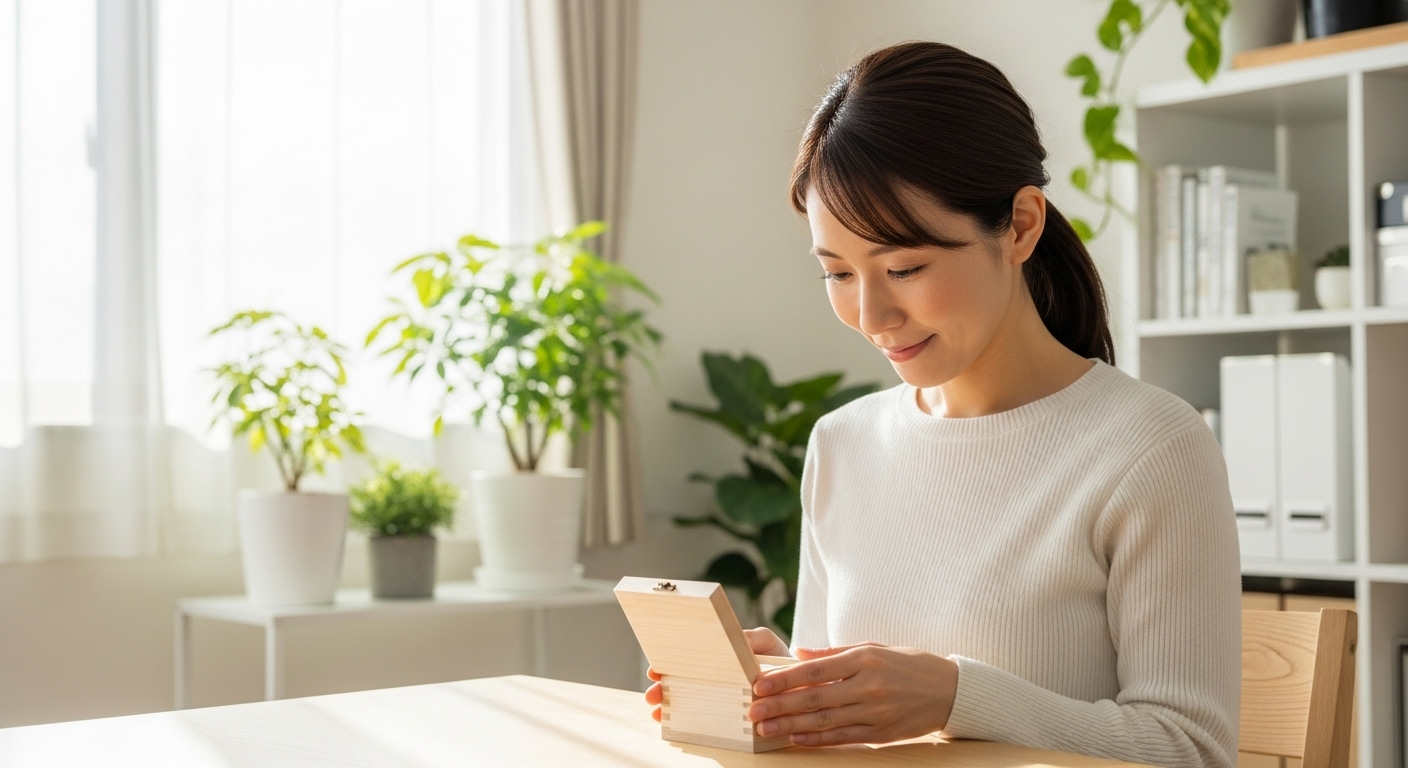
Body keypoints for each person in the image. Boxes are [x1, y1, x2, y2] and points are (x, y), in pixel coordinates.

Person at [644, 41, 1240, 768]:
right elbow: (861, 723)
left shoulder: (1151, 448)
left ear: (1021, 226)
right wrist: (789, 690)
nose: (872, 314)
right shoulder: (843, 443)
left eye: (904, 267)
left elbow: (1193, 750)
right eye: (836, 273)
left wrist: (960, 697)